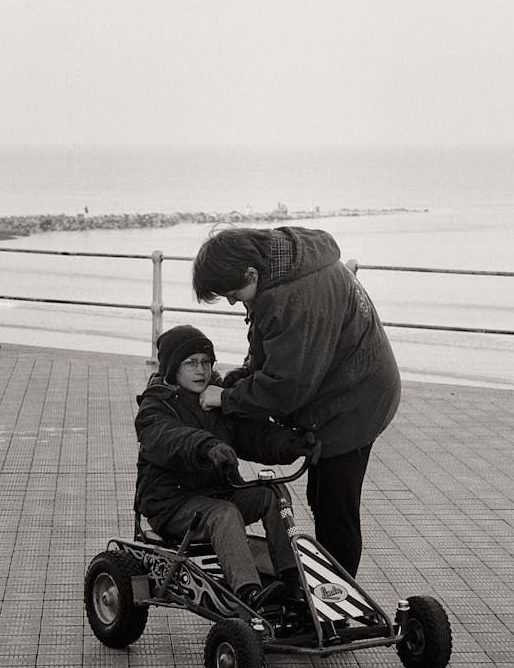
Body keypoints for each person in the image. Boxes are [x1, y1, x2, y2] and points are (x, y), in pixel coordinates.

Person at [193, 226, 401, 578]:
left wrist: (227, 398)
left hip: (354, 403)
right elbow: (272, 344)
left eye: (232, 292)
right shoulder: (282, 265)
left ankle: (338, 602)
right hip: (354, 386)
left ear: (250, 272)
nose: (231, 301)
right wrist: (243, 377)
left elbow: (286, 386)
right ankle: (330, 591)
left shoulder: (296, 297)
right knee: (324, 498)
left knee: (336, 507)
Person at [134, 324, 312, 610]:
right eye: (191, 363)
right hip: (172, 503)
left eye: (206, 362)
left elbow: (252, 435)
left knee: (274, 493)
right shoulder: (156, 407)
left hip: (219, 491)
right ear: (171, 368)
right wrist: (206, 446)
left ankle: (292, 579)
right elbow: (167, 439)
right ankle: (248, 592)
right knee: (224, 514)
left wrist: (292, 444)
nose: (201, 370)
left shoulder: (217, 398)